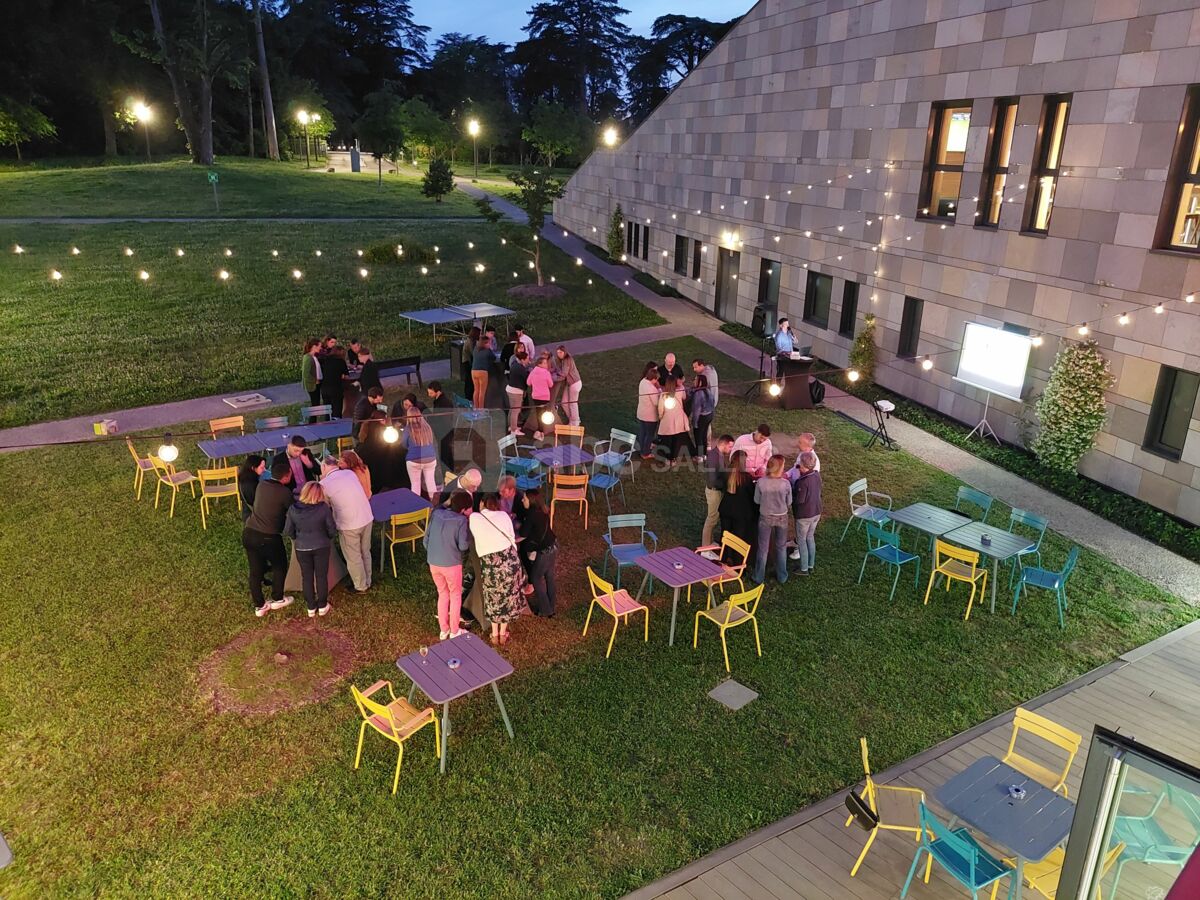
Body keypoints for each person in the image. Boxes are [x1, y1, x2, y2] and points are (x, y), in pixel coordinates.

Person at [470, 494, 530, 645]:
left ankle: (494, 633)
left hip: (490, 564)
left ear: (482, 503)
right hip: (509, 560)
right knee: (507, 597)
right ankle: (503, 634)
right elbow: (511, 535)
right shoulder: (504, 515)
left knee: (493, 597)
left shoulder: (474, 518)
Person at [243, 459, 295, 617]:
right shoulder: (285, 493)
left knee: (255, 570)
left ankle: (259, 606)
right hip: (269, 536)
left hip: (249, 532)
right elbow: (293, 510)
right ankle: (278, 598)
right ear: (285, 478)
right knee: (279, 566)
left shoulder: (261, 485)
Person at [320, 457, 374, 594]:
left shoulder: (324, 484)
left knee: (353, 556)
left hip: (348, 524)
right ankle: (368, 579)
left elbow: (325, 505)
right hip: (367, 517)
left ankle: (361, 586)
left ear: (325, 467)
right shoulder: (350, 474)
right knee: (365, 551)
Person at [283, 481, 337, 617]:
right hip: (321, 546)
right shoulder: (324, 508)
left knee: (306, 577)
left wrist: (298, 538)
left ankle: (311, 607)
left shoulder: (293, 509)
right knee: (321, 576)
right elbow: (332, 529)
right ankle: (322, 605)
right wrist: (327, 537)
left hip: (302, 547)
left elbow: (288, 530)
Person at [424, 490, 472, 639]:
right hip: (451, 564)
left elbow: (426, 541)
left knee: (442, 593)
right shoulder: (461, 521)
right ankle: (454, 630)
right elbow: (463, 546)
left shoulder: (436, 514)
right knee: (455, 595)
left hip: (433, 562)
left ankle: (443, 630)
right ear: (463, 509)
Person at [753, 454, 791, 585]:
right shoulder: (786, 484)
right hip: (782, 517)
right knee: (781, 547)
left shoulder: (761, 482)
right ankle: (782, 576)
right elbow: (789, 501)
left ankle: (758, 577)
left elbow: (756, 500)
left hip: (765, 517)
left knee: (763, 548)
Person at [519, 488, 558, 616]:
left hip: (544, 551)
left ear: (530, 500)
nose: (522, 500)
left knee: (535, 578)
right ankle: (551, 605)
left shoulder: (532, 515)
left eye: (524, 498)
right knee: (549, 576)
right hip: (553, 546)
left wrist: (511, 540)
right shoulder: (543, 510)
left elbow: (523, 535)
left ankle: (546, 611)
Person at [719, 450, 757, 557]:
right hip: (741, 512)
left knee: (725, 534)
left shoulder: (726, 473)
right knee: (738, 538)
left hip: (726, 509)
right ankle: (737, 562)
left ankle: (724, 558)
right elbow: (752, 494)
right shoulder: (746, 478)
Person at [791, 450, 822, 575]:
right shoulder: (816, 475)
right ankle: (811, 565)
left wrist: (791, 496)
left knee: (802, 540)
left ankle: (803, 569)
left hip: (804, 515)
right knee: (810, 537)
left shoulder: (803, 482)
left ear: (803, 466)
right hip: (816, 511)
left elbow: (800, 500)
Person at [700, 435, 734, 550]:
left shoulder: (717, 455)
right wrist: (727, 484)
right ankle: (705, 547)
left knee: (713, 518)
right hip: (714, 492)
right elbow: (713, 481)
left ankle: (709, 542)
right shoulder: (714, 457)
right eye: (730, 447)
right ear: (723, 444)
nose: (730, 450)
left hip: (715, 491)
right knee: (711, 519)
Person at [400, 408, 438, 499]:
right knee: (431, 482)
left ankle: (417, 507)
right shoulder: (427, 427)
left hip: (414, 460)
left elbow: (404, 444)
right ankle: (435, 505)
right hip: (430, 458)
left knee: (415, 484)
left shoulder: (408, 429)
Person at [656, 375, 691, 466]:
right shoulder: (680, 391)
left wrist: (660, 417)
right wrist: (681, 386)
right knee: (676, 440)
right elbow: (684, 397)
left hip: (667, 420)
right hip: (678, 420)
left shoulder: (663, 395)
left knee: (667, 441)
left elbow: (660, 409)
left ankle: (667, 458)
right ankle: (674, 459)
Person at [426, 380, 456, 470]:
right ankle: (450, 470)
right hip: (443, 432)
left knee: (445, 454)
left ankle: (448, 471)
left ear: (438, 392)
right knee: (446, 453)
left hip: (445, 433)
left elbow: (443, 420)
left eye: (431, 393)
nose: (429, 395)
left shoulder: (444, 403)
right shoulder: (438, 401)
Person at [636, 362, 662, 459]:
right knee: (649, 434)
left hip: (641, 413)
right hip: (650, 416)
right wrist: (659, 389)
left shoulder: (642, 381)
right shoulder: (652, 389)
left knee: (643, 432)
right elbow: (656, 402)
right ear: (654, 379)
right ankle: (646, 453)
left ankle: (642, 448)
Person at [527, 353, 555, 440]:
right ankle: (541, 432)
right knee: (544, 415)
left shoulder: (533, 372)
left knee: (539, 414)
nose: (547, 365)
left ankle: (540, 431)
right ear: (540, 364)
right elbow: (551, 384)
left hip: (536, 397)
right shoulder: (546, 373)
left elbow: (528, 383)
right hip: (545, 397)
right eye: (545, 363)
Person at [554, 346, 582, 427]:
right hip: (569, 384)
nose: (559, 354)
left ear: (564, 352)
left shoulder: (567, 360)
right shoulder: (563, 361)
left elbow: (564, 374)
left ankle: (575, 422)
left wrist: (554, 377)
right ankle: (572, 419)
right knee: (564, 403)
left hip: (574, 383)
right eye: (558, 353)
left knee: (572, 403)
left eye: (561, 352)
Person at [506, 346, 531, 435]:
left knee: (512, 410)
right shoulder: (520, 368)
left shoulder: (515, 365)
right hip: (516, 391)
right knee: (516, 411)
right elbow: (527, 380)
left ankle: (511, 426)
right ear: (523, 360)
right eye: (527, 359)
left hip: (511, 389)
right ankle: (514, 430)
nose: (529, 360)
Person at [689, 372, 715, 458]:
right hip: (709, 415)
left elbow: (696, 410)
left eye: (696, 380)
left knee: (698, 436)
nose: (694, 381)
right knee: (704, 434)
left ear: (700, 382)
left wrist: (694, 423)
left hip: (701, 417)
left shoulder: (698, 394)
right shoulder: (708, 391)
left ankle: (699, 456)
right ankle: (704, 454)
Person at [319, 345, 349, 418]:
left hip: (324, 388)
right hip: (336, 389)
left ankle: (327, 425)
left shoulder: (325, 360)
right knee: (337, 411)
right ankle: (337, 427)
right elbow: (346, 375)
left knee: (328, 411)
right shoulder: (340, 361)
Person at [238, 454, 266, 521]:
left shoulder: (244, 477)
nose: (264, 470)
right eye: (262, 467)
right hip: (253, 517)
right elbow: (256, 502)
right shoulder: (250, 485)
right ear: (253, 468)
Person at [471, 335, 493, 409]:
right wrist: (490, 349)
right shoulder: (487, 351)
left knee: (476, 390)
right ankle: (481, 409)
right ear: (485, 343)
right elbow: (493, 357)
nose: (490, 344)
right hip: (482, 371)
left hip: (473, 371)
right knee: (482, 392)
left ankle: (475, 407)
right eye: (489, 343)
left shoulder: (475, 349)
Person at [301, 338, 322, 407]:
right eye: (319, 346)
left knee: (316, 403)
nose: (320, 348)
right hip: (313, 385)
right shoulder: (308, 358)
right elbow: (305, 374)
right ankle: (313, 417)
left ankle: (315, 417)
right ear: (314, 347)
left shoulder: (314, 356)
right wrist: (315, 381)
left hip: (317, 384)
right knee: (315, 404)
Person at [461, 326, 481, 398]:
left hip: (467, 361)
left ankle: (469, 394)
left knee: (469, 379)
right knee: (469, 379)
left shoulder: (471, 341)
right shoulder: (470, 342)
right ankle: (469, 395)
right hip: (467, 362)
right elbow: (473, 353)